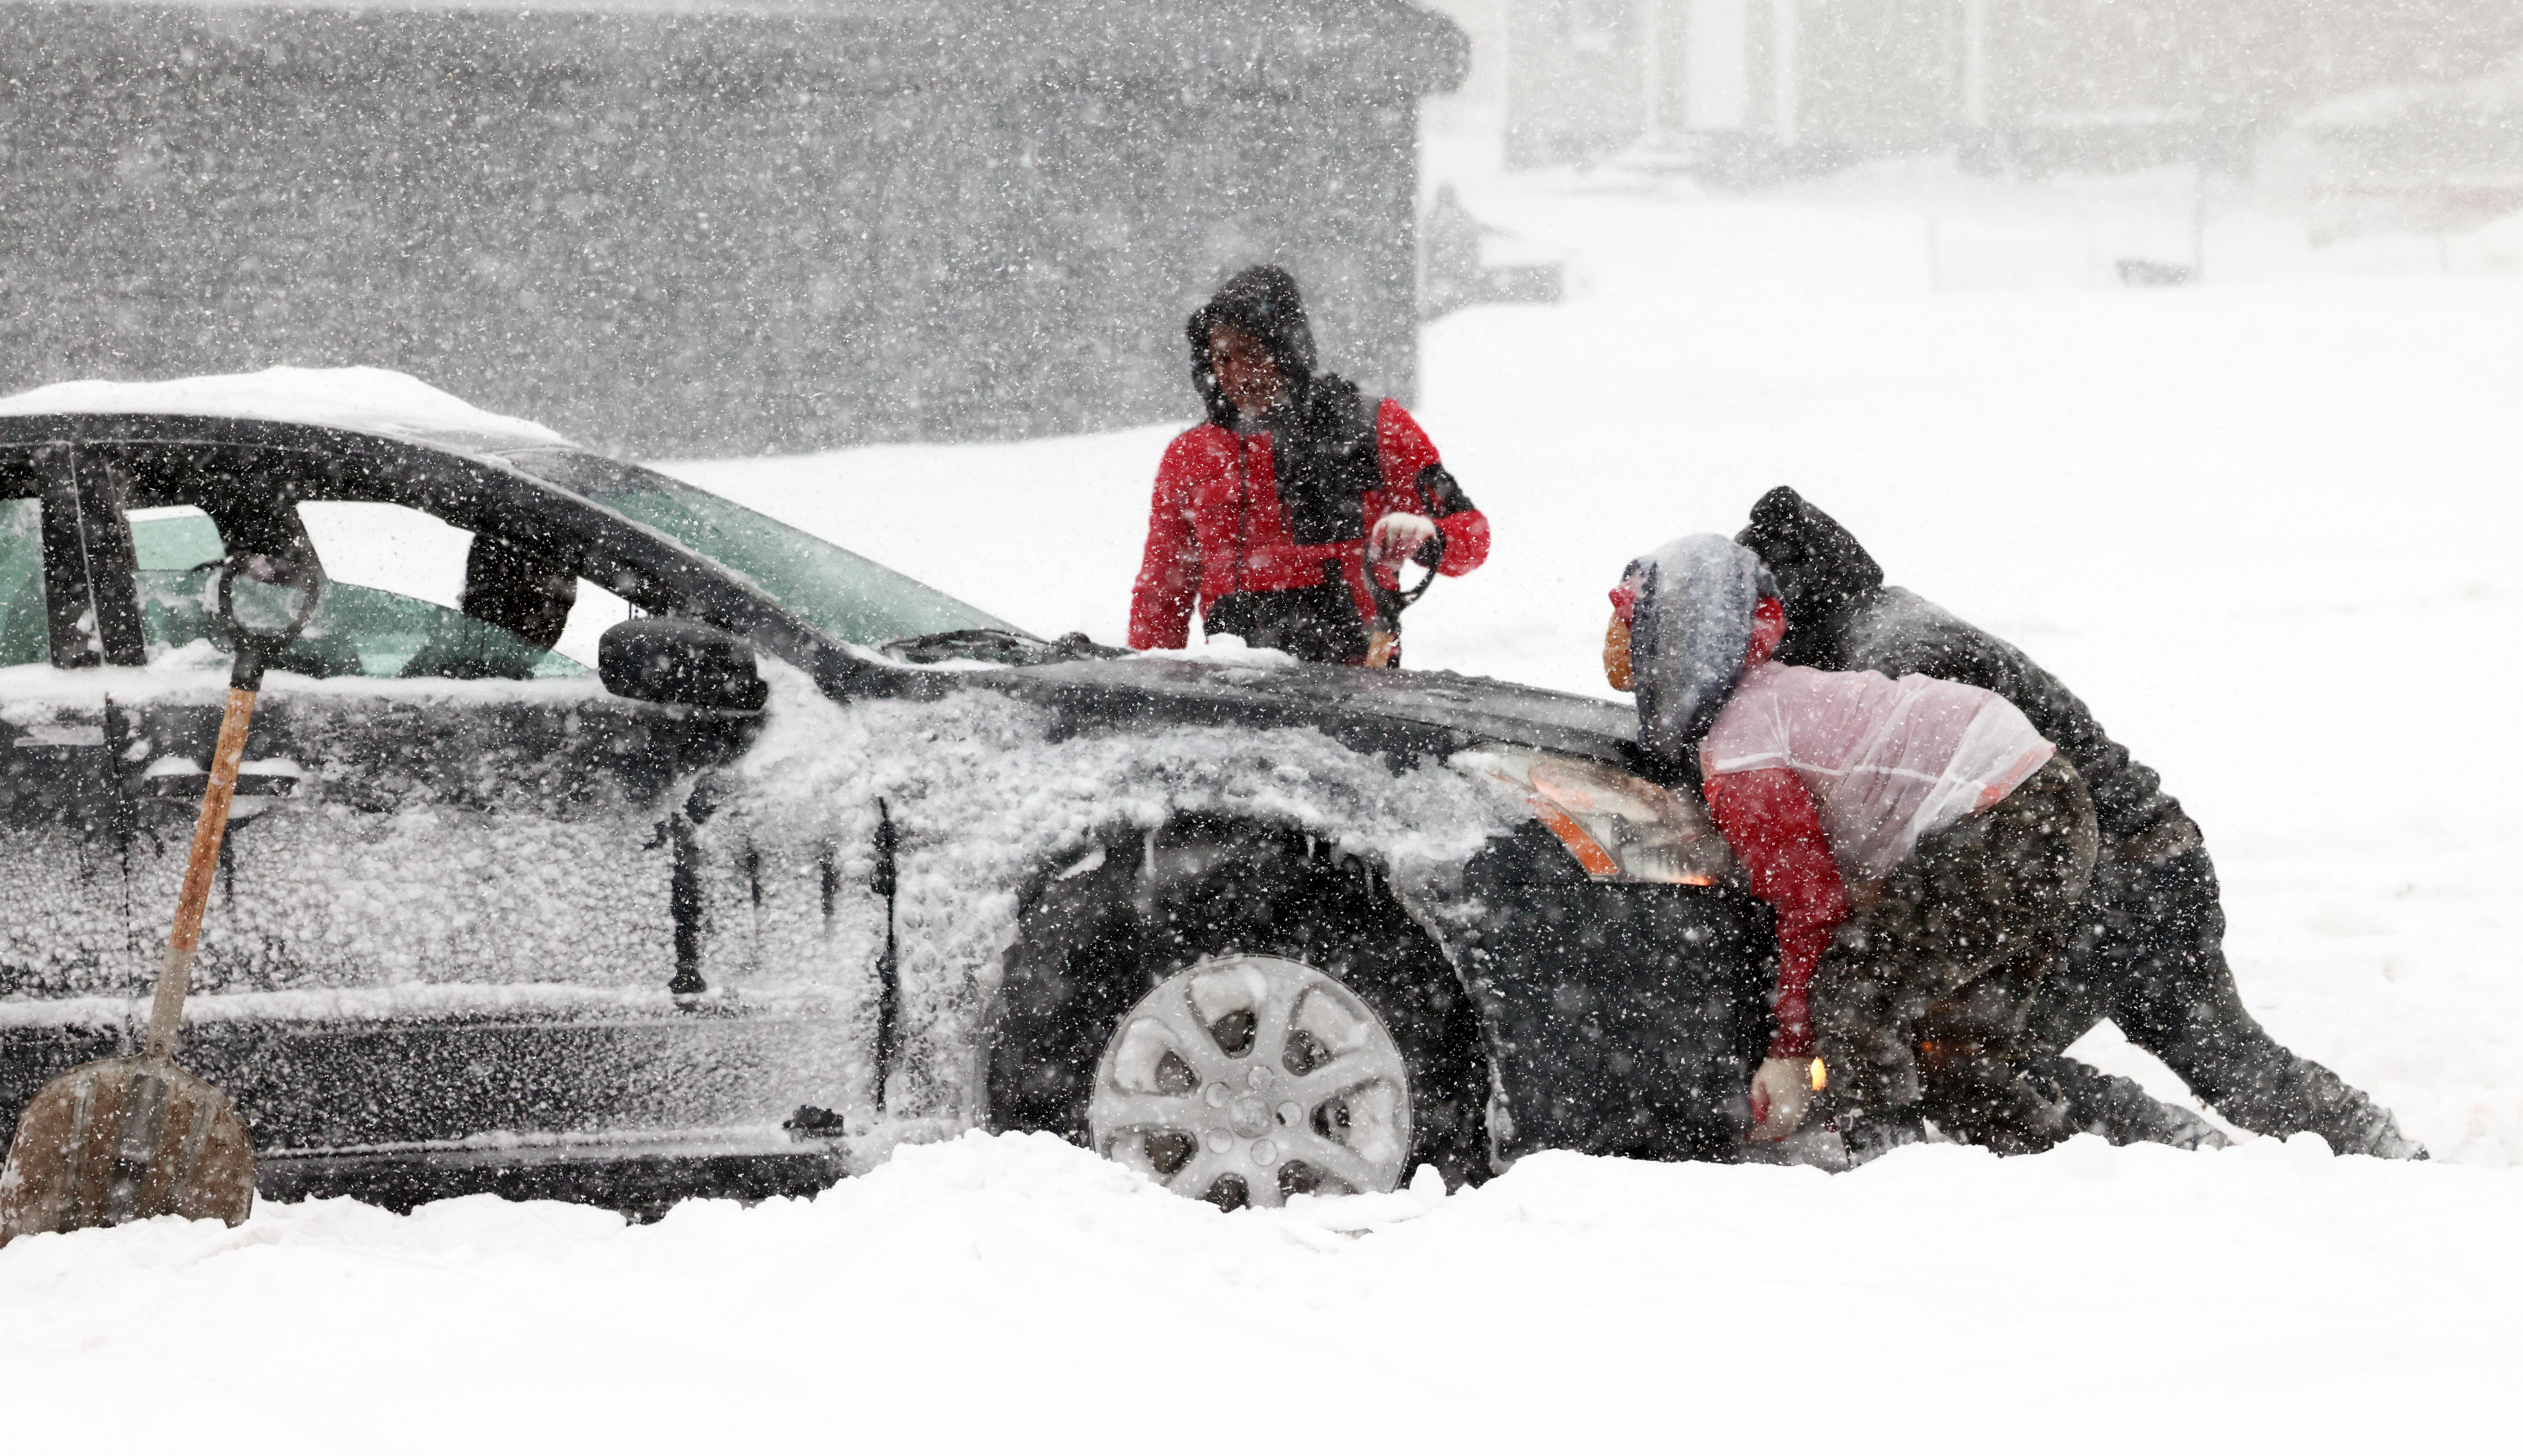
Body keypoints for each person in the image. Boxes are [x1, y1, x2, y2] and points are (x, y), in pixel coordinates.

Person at [1736, 487, 2423, 1159]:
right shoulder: (1892, 625)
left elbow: (1942, 814)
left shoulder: (1886, 661)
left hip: (2091, 880)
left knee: (1965, 1058)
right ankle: (2353, 1147)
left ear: (1786, 604)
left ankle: (2166, 1155)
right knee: (2229, 1062)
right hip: (2154, 859)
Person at [1608, 534, 2100, 1160]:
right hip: (2046, 808)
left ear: (1668, 647)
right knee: (1955, 1056)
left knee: (1855, 1002)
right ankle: (2063, 1173)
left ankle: (1890, 1173)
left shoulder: (1740, 748)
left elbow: (1810, 904)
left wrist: (1790, 1050)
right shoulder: (1776, 695)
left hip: (2005, 818)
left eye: (1632, 634)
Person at [1128, 264, 1488, 665]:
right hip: (1234, 691)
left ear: (1289, 350)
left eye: (1252, 354)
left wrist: (1427, 538)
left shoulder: (1374, 428)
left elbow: (1472, 537)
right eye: (1223, 358)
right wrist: (1147, 688)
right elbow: (1162, 595)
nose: (1236, 374)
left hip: (1361, 683)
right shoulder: (1189, 456)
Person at [399, 534, 577, 681]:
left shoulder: (434, 673)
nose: (556, 621)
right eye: (555, 606)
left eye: (565, 607)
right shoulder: (504, 695)